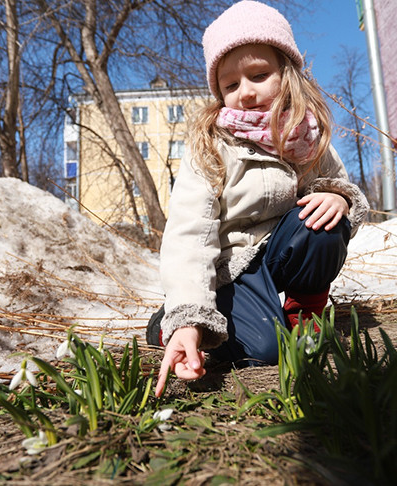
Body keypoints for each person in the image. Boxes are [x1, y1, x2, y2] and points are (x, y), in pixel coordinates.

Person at [149, 0, 369, 397]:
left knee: (322, 219)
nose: (246, 93)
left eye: (258, 75)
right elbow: (189, 235)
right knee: (266, 350)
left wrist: (339, 198)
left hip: (280, 251)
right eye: (231, 85)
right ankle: (172, 320)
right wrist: (188, 315)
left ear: (287, 73)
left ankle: (305, 312)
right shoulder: (211, 146)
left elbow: (339, 184)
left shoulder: (307, 134)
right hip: (229, 267)